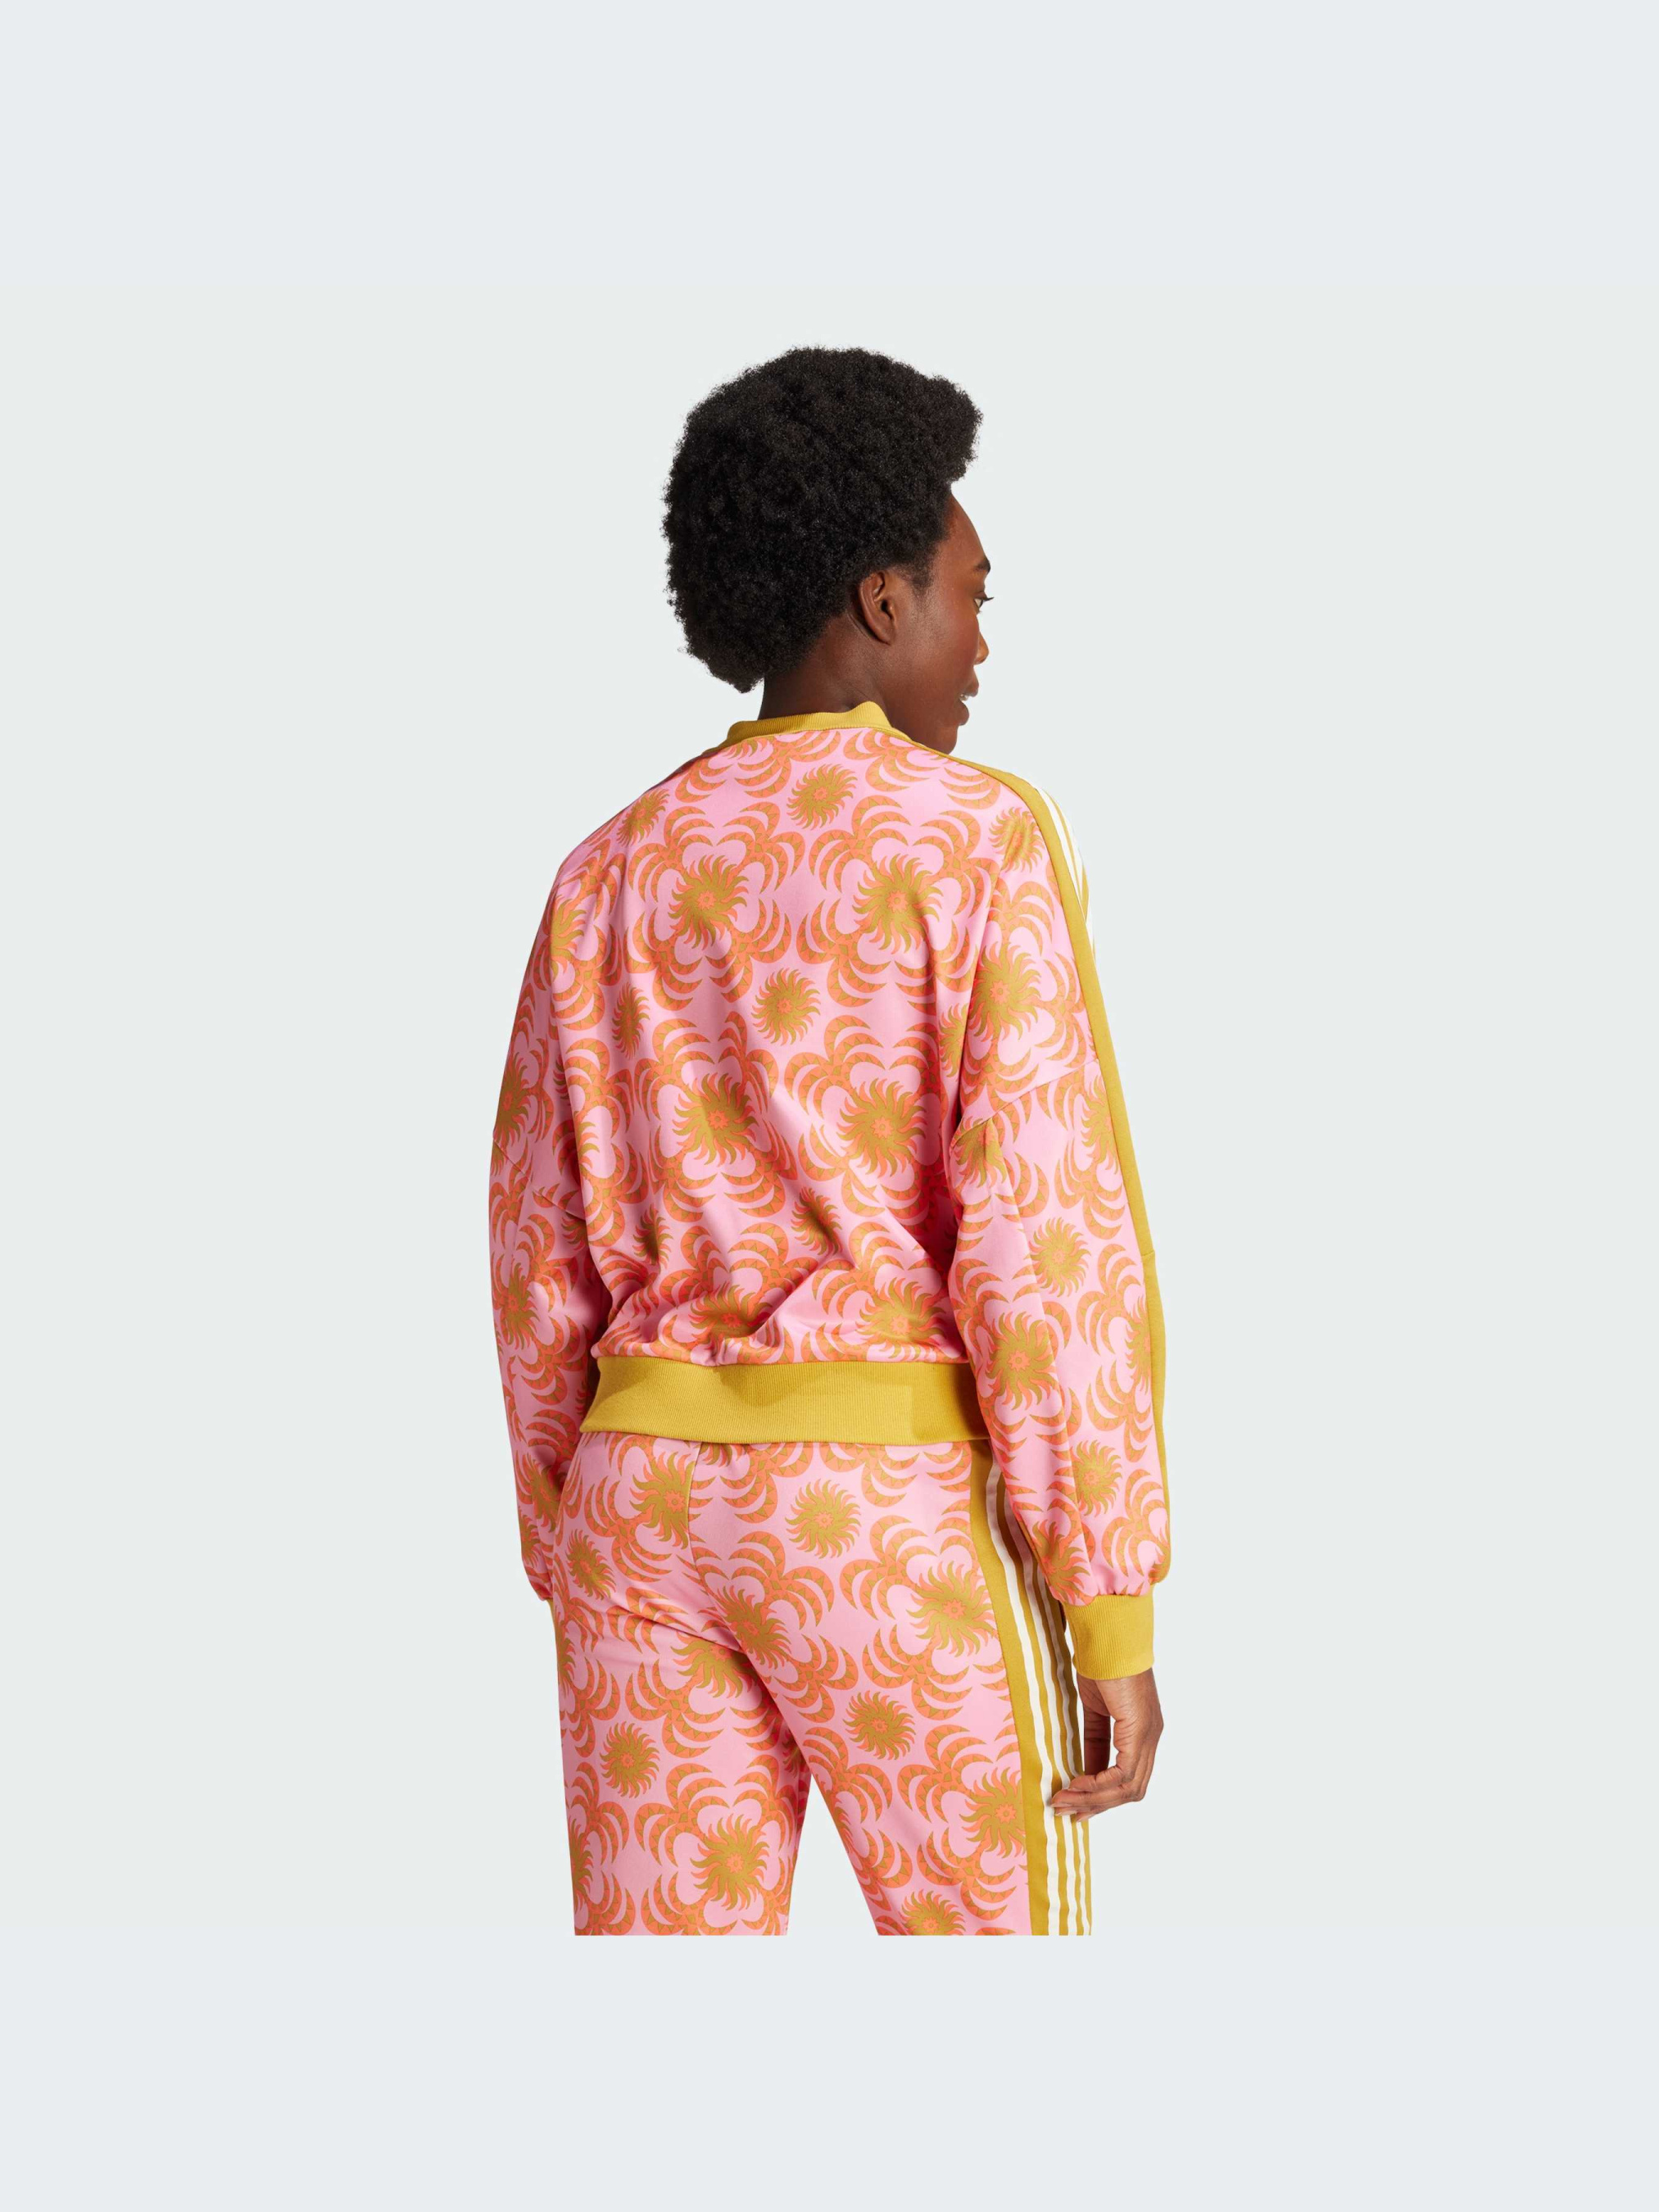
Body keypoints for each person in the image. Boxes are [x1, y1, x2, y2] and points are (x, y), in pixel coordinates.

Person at [489, 346, 1170, 1935]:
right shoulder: (976, 838)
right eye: (969, 595)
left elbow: (534, 1246)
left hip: (639, 1511)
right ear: (879, 599)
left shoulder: (607, 869)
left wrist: (565, 1537)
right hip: (884, 1515)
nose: (982, 643)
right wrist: (1108, 1605)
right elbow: (1044, 1234)